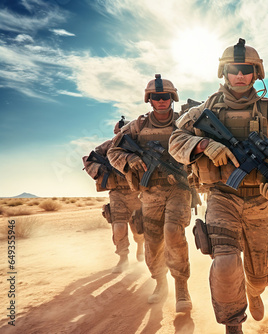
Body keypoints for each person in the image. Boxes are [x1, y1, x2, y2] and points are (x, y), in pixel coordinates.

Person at [168, 38, 268, 334]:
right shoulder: (206, 110)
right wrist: (203, 144)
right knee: (226, 263)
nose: (240, 75)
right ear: (224, 72)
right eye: (234, 69)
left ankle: (254, 291)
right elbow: (175, 142)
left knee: (258, 277)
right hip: (222, 196)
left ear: (256, 73)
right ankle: (233, 323)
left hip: (260, 204)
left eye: (246, 69)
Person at [107, 75, 192, 311]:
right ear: (150, 100)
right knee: (153, 242)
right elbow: (113, 152)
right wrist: (131, 158)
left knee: (173, 232)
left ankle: (182, 288)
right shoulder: (137, 126)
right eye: (156, 97)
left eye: (166, 96)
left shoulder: (184, 124)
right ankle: (160, 283)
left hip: (178, 190)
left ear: (172, 98)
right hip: (150, 192)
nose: (161, 100)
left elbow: (197, 146)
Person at [82, 118, 144, 273]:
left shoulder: (138, 144)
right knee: (119, 226)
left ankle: (141, 246)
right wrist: (101, 170)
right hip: (117, 193)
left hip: (137, 192)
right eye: (119, 131)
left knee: (139, 228)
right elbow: (88, 161)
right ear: (115, 132)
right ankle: (123, 258)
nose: (121, 133)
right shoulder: (108, 146)